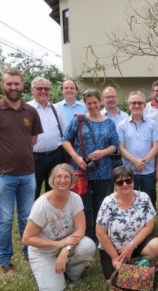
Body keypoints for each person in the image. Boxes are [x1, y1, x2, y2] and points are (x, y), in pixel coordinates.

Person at [0, 68, 43, 275]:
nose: (13, 87)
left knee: (27, 217)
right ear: (2, 85)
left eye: (16, 83)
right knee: (5, 220)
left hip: (27, 174)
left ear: (22, 85)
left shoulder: (31, 112)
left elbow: (33, 139)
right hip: (3, 176)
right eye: (9, 84)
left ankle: (28, 251)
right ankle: (5, 260)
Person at [22, 164, 96, 291]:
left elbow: (80, 229)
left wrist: (65, 249)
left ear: (72, 180)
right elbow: (27, 238)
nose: (63, 180)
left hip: (66, 244)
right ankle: (46, 270)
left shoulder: (76, 198)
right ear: (52, 180)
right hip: (43, 252)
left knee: (88, 245)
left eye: (66, 177)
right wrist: (58, 245)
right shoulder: (41, 205)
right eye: (59, 177)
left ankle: (71, 273)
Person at [62, 89, 119, 243]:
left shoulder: (109, 122)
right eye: (89, 103)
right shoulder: (78, 120)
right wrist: (76, 157)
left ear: (100, 102)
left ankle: (101, 236)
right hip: (82, 169)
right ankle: (87, 237)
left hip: (104, 170)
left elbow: (115, 144)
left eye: (95, 102)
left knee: (101, 205)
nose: (93, 106)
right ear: (85, 104)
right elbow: (65, 140)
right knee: (84, 206)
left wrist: (102, 153)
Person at [96, 166, 158, 281]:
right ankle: (125, 263)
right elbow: (100, 233)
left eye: (128, 180)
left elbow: (149, 226)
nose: (125, 184)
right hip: (113, 248)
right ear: (114, 184)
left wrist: (131, 245)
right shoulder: (108, 202)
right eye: (120, 182)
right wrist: (114, 257)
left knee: (156, 244)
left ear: (133, 180)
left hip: (135, 244)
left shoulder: (143, 197)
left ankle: (138, 262)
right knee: (114, 281)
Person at [118, 91, 158, 208]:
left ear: (144, 105)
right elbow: (121, 147)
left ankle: (150, 224)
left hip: (148, 170)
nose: (137, 105)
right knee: (130, 199)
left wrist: (143, 162)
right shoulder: (122, 125)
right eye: (133, 102)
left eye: (140, 103)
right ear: (128, 105)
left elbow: (156, 146)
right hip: (129, 170)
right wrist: (135, 161)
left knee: (150, 199)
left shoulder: (153, 124)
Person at [28, 77, 67, 199]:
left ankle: (51, 217)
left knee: (54, 192)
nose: (43, 91)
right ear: (32, 90)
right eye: (40, 88)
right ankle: (33, 217)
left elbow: (65, 134)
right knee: (33, 191)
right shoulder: (26, 109)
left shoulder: (56, 109)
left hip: (55, 156)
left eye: (46, 89)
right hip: (34, 158)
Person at [101, 86, 129, 178]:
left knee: (123, 185)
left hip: (123, 157)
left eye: (113, 96)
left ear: (117, 98)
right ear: (103, 99)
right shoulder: (98, 116)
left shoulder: (125, 116)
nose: (111, 99)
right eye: (108, 97)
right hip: (105, 158)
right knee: (107, 188)